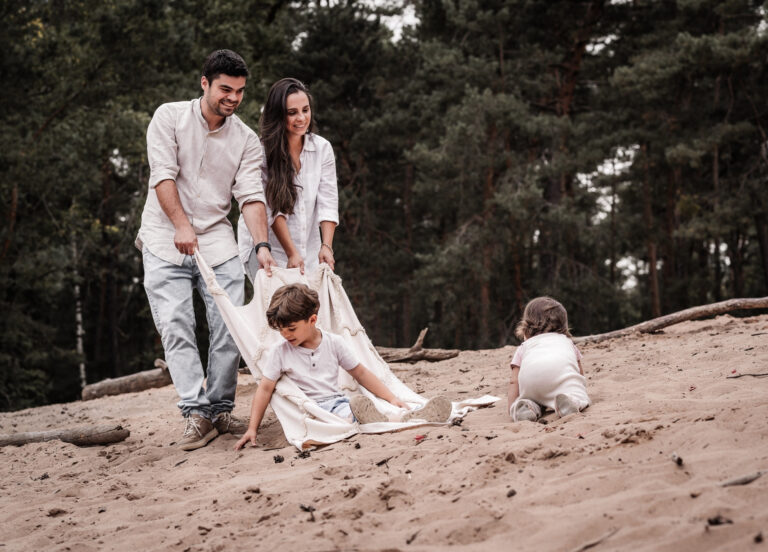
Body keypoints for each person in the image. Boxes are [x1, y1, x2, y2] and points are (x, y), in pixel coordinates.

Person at [136, 49, 276, 451]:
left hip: (217, 240)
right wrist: (180, 224)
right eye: (225, 89)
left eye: (240, 92)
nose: (232, 98)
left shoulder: (246, 140)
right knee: (176, 324)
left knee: (231, 325)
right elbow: (162, 175)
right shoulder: (169, 117)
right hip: (165, 239)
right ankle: (195, 413)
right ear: (205, 83)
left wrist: (262, 245)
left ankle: (219, 409)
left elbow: (250, 197)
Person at [234, 284, 452, 450]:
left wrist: (391, 397)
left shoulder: (334, 342)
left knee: (371, 407)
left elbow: (361, 373)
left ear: (312, 320)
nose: (285, 334)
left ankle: (413, 413)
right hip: (312, 409)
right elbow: (264, 389)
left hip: (338, 402)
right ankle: (398, 418)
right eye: (281, 330)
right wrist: (252, 428)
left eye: (291, 328)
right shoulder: (279, 353)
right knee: (349, 416)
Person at [237, 78, 338, 279]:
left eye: (305, 110)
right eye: (292, 113)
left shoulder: (322, 148)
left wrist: (326, 246)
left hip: (308, 250)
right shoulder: (261, 152)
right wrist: (291, 253)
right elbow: (271, 211)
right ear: (278, 115)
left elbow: (328, 202)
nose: (301, 118)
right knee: (278, 309)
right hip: (268, 251)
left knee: (309, 310)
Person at [508, 297, 590, 422]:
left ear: (526, 326)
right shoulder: (567, 342)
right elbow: (580, 373)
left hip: (532, 386)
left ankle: (526, 407)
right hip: (561, 382)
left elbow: (514, 381)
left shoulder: (524, 347)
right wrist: (579, 388)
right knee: (578, 394)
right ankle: (570, 402)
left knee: (531, 399)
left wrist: (511, 407)